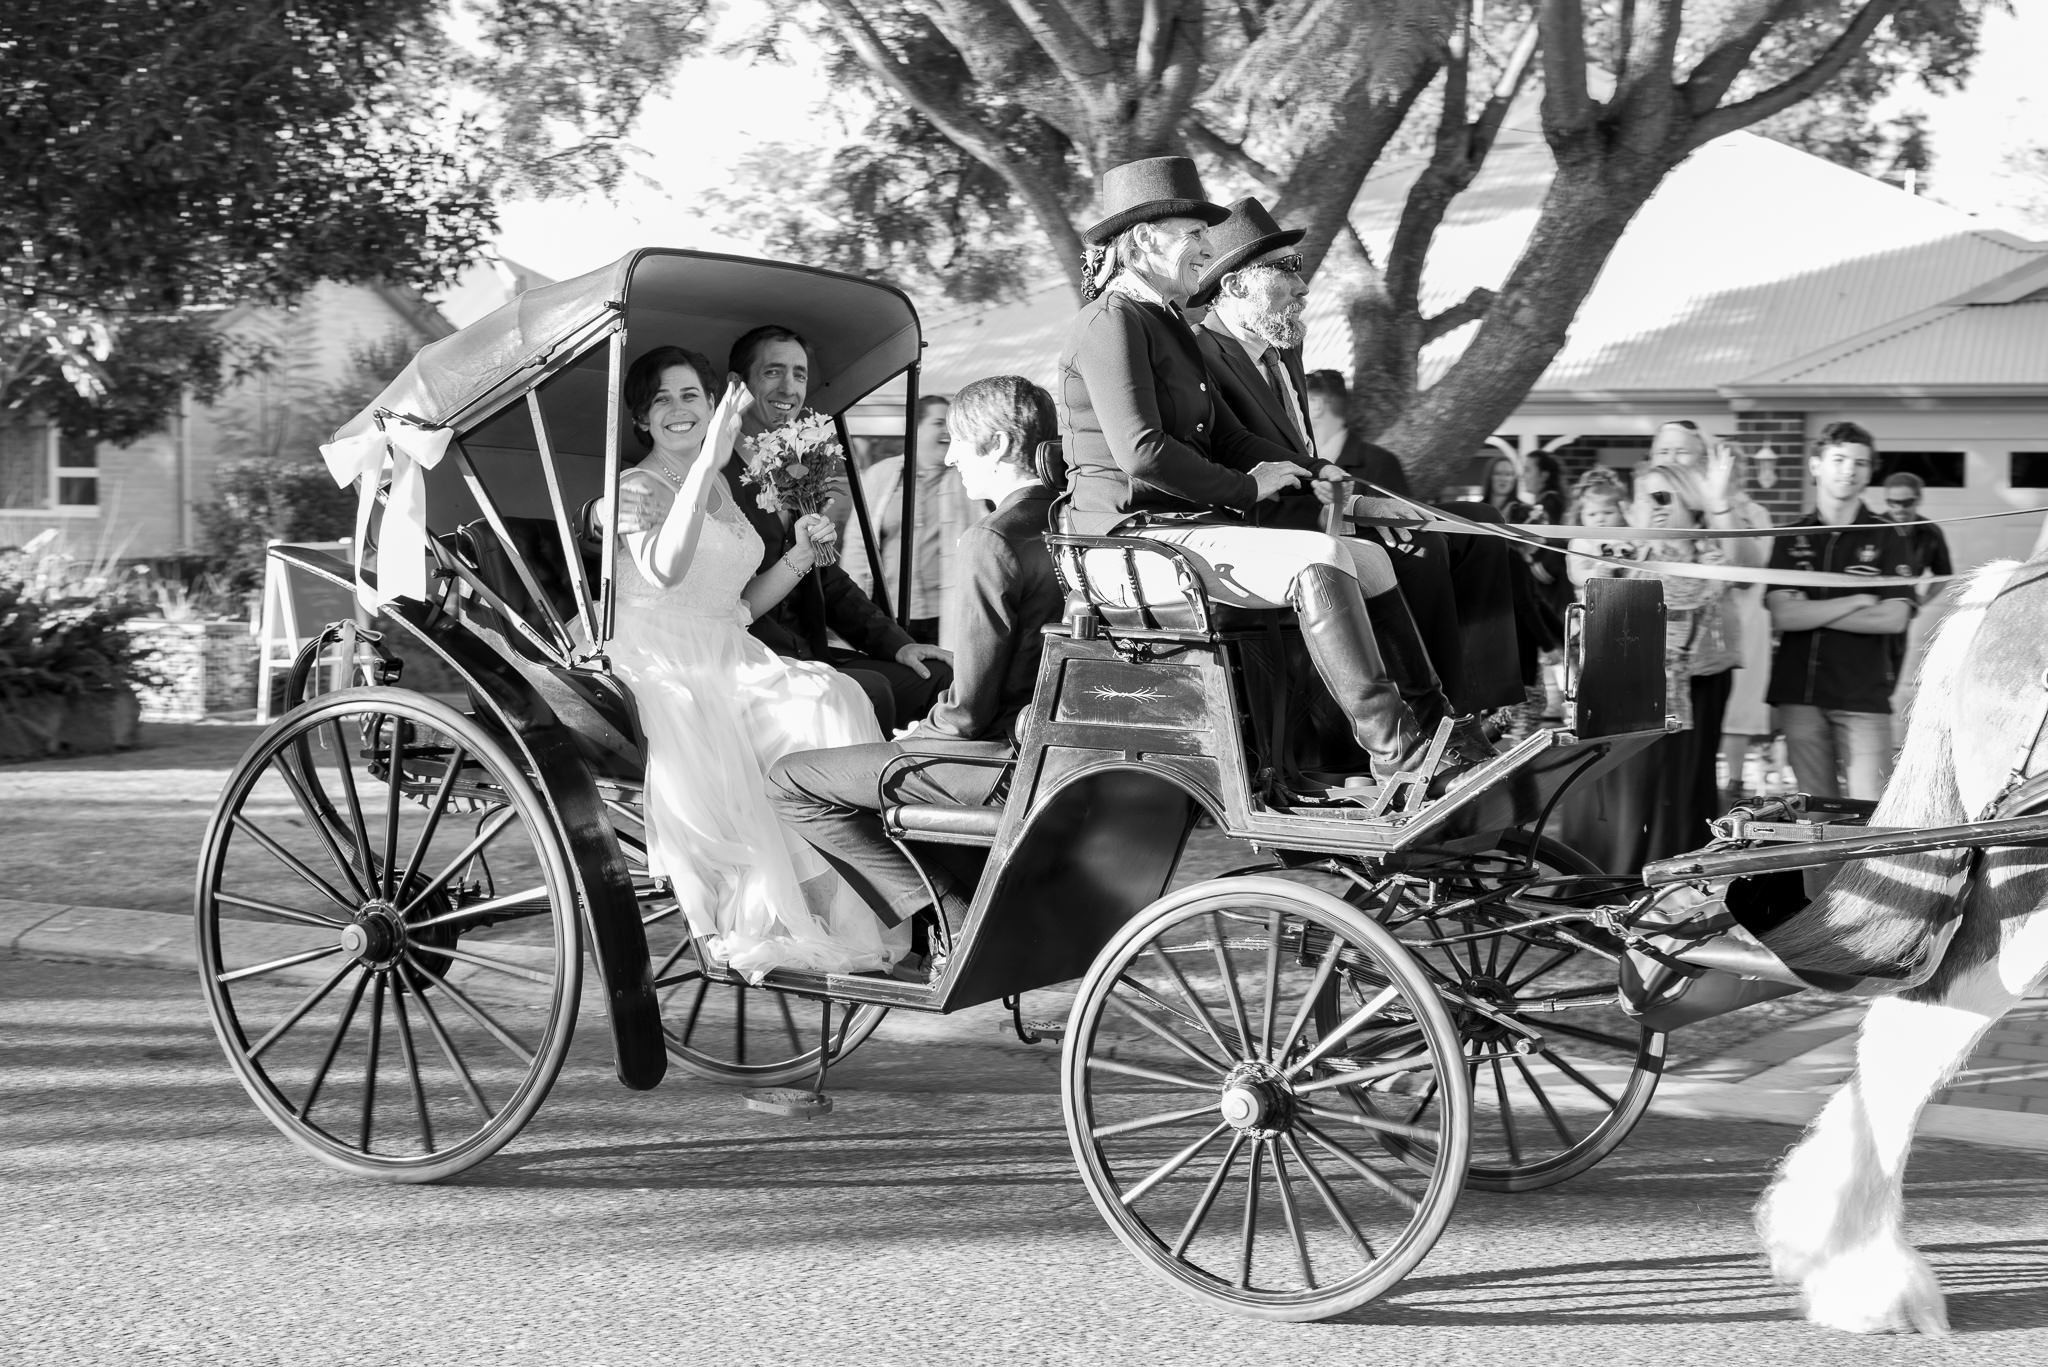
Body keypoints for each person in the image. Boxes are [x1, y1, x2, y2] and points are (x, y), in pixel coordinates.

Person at [1057, 156, 1484, 793]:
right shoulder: (1111, 320)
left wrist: (1315, 472)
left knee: (1369, 560)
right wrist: (1246, 487)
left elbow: (1227, 436)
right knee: (1317, 558)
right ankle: (1396, 755)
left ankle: (1435, 729)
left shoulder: (1168, 321)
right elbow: (1142, 453)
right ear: (1144, 240)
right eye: (1192, 233)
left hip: (1176, 533)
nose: (1206, 245)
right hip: (1122, 539)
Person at [605, 345, 908, 979]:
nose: (678, 409)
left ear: (713, 406)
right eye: (661, 399)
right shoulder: (636, 488)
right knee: (822, 702)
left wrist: (798, 555)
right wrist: (708, 460)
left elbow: (736, 604)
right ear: (641, 420)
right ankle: (804, 913)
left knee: (836, 695)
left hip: (726, 646)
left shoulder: (719, 483)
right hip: (665, 658)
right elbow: (664, 571)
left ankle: (849, 904)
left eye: (691, 395)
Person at [768, 376, 1066, 971]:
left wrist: (920, 736)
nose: (951, 455)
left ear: (1000, 444)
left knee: (788, 783)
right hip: (1047, 745)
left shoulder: (993, 538)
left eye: (959, 440)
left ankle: (946, 912)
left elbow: (971, 709)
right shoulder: (1066, 518)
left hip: (995, 758)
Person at [1184, 196, 1477, 730]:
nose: (1302, 287)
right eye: (1284, 270)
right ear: (1232, 285)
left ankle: (1494, 700)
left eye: (1299, 269)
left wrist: (1346, 495)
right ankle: (1439, 723)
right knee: (1421, 547)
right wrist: (1344, 503)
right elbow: (1239, 460)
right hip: (1255, 523)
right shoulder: (1200, 356)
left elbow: (1304, 454)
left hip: (1311, 506)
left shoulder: (1283, 348)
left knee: (1475, 529)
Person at [723, 325, 953, 733]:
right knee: (871, 689)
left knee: (938, 678)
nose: (790, 388)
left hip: (808, 649)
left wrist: (899, 645)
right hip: (752, 658)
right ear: (738, 384)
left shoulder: (794, 464)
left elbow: (826, 578)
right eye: (773, 372)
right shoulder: (716, 473)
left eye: (799, 374)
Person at [1559, 461, 1741, 869]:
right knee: (1619, 803)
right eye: (1647, 497)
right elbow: (1592, 583)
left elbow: (1715, 580)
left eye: (1666, 496)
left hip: (1676, 694)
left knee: (1666, 799)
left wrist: (1715, 507)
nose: (1657, 506)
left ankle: (1661, 883)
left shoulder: (1703, 552)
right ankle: (1601, 885)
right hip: (1616, 695)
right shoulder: (1618, 547)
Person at [1764, 421, 1916, 799]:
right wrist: (1855, 601)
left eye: (1861, 463)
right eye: (1839, 459)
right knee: (1815, 814)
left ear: (1869, 472)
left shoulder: (1888, 535)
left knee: (1871, 813)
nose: (1849, 469)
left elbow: (1893, 618)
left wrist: (1813, 609)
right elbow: (1784, 616)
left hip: (1862, 696)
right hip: (1799, 695)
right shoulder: (1790, 535)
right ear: (1816, 465)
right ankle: (1825, 865)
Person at [1648, 420, 1772, 816]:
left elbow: (1746, 570)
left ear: (1703, 461)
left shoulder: (1728, 510)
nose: (1670, 459)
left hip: (1704, 664)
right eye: (1663, 450)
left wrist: (1718, 504)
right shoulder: (1637, 504)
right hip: (1641, 663)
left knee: (1692, 770)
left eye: (1681, 451)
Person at [846, 394, 981, 645]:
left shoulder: (967, 482)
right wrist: (853, 609)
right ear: (915, 428)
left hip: (945, 617)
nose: (947, 431)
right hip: (890, 612)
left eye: (951, 425)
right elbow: (857, 544)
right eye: (938, 422)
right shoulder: (881, 475)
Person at [1303, 369, 1411, 498]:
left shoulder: (1380, 462)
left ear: (1316, 405)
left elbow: (1399, 515)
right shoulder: (1297, 459)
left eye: (1296, 400)